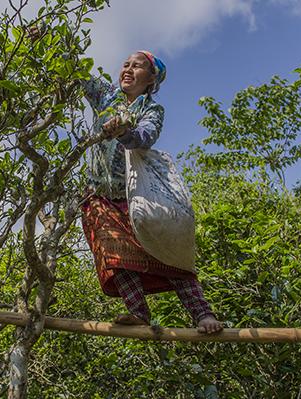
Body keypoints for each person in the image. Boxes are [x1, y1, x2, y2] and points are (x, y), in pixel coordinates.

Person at [80, 51, 223, 334]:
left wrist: (123, 131)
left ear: (151, 79)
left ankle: (203, 314)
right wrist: (46, 36)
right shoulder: (106, 96)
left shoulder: (151, 110)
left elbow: (145, 136)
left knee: (166, 250)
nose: (128, 69)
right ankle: (138, 311)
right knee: (113, 252)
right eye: (126, 64)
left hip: (138, 196)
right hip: (101, 196)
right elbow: (76, 72)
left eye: (138, 66)